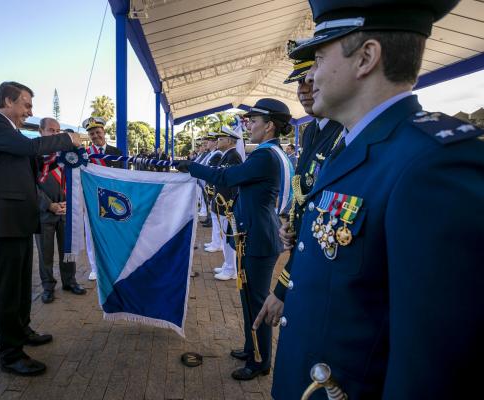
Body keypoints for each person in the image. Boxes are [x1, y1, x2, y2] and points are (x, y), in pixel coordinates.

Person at [258, 1, 484, 398]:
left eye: (320, 56)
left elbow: (433, 366)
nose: (310, 74)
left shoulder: (431, 165)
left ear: (366, 57)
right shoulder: (349, 146)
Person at [177, 98, 294, 381]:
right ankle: (249, 347)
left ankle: (260, 361)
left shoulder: (265, 155)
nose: (248, 126)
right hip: (251, 235)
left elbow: (226, 177)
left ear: (268, 127)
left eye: (253, 121)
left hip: (259, 239)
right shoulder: (268, 152)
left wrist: (191, 167)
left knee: (256, 302)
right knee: (247, 297)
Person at [0, 81, 81, 376]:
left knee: (21, 286)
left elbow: (32, 168)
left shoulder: (12, 133)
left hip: (18, 222)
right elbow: (31, 147)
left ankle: (22, 331)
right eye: (26, 105)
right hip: (1, 223)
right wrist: (67, 139)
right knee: (7, 291)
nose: (29, 112)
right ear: (8, 100)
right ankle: (10, 355)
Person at [259, 48, 345, 312]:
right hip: (302, 245)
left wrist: (283, 283)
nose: (304, 89)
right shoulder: (310, 132)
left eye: (310, 79)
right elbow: (303, 192)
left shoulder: (343, 132)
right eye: (299, 82)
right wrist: (291, 226)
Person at [35, 118, 86, 304]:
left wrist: (71, 202)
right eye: (51, 130)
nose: (55, 134)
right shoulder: (34, 155)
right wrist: (49, 205)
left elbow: (77, 180)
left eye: (58, 131)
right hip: (45, 212)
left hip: (66, 210)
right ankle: (48, 286)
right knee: (45, 253)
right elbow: (31, 186)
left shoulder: (68, 155)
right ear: (41, 131)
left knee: (68, 248)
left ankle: (69, 281)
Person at [83, 116, 123, 281]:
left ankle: (113, 264)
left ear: (103, 131)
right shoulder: (85, 154)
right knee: (92, 234)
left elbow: (122, 176)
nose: (95, 136)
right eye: (92, 133)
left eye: (97, 132)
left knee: (112, 232)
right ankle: (94, 268)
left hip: (112, 199)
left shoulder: (117, 152)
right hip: (92, 199)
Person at [210, 126, 243, 281]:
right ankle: (227, 264)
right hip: (221, 202)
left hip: (227, 204)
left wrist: (231, 204)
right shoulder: (226, 155)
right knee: (225, 237)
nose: (218, 141)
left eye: (221, 139)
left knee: (229, 237)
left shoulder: (234, 156)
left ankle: (231, 269)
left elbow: (235, 183)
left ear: (230, 141)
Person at [201, 133, 223, 239]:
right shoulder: (212, 153)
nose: (206, 143)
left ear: (214, 142)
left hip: (213, 187)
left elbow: (214, 172)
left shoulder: (217, 154)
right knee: (211, 208)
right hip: (209, 186)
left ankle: (217, 242)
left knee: (216, 214)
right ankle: (215, 241)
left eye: (209, 141)